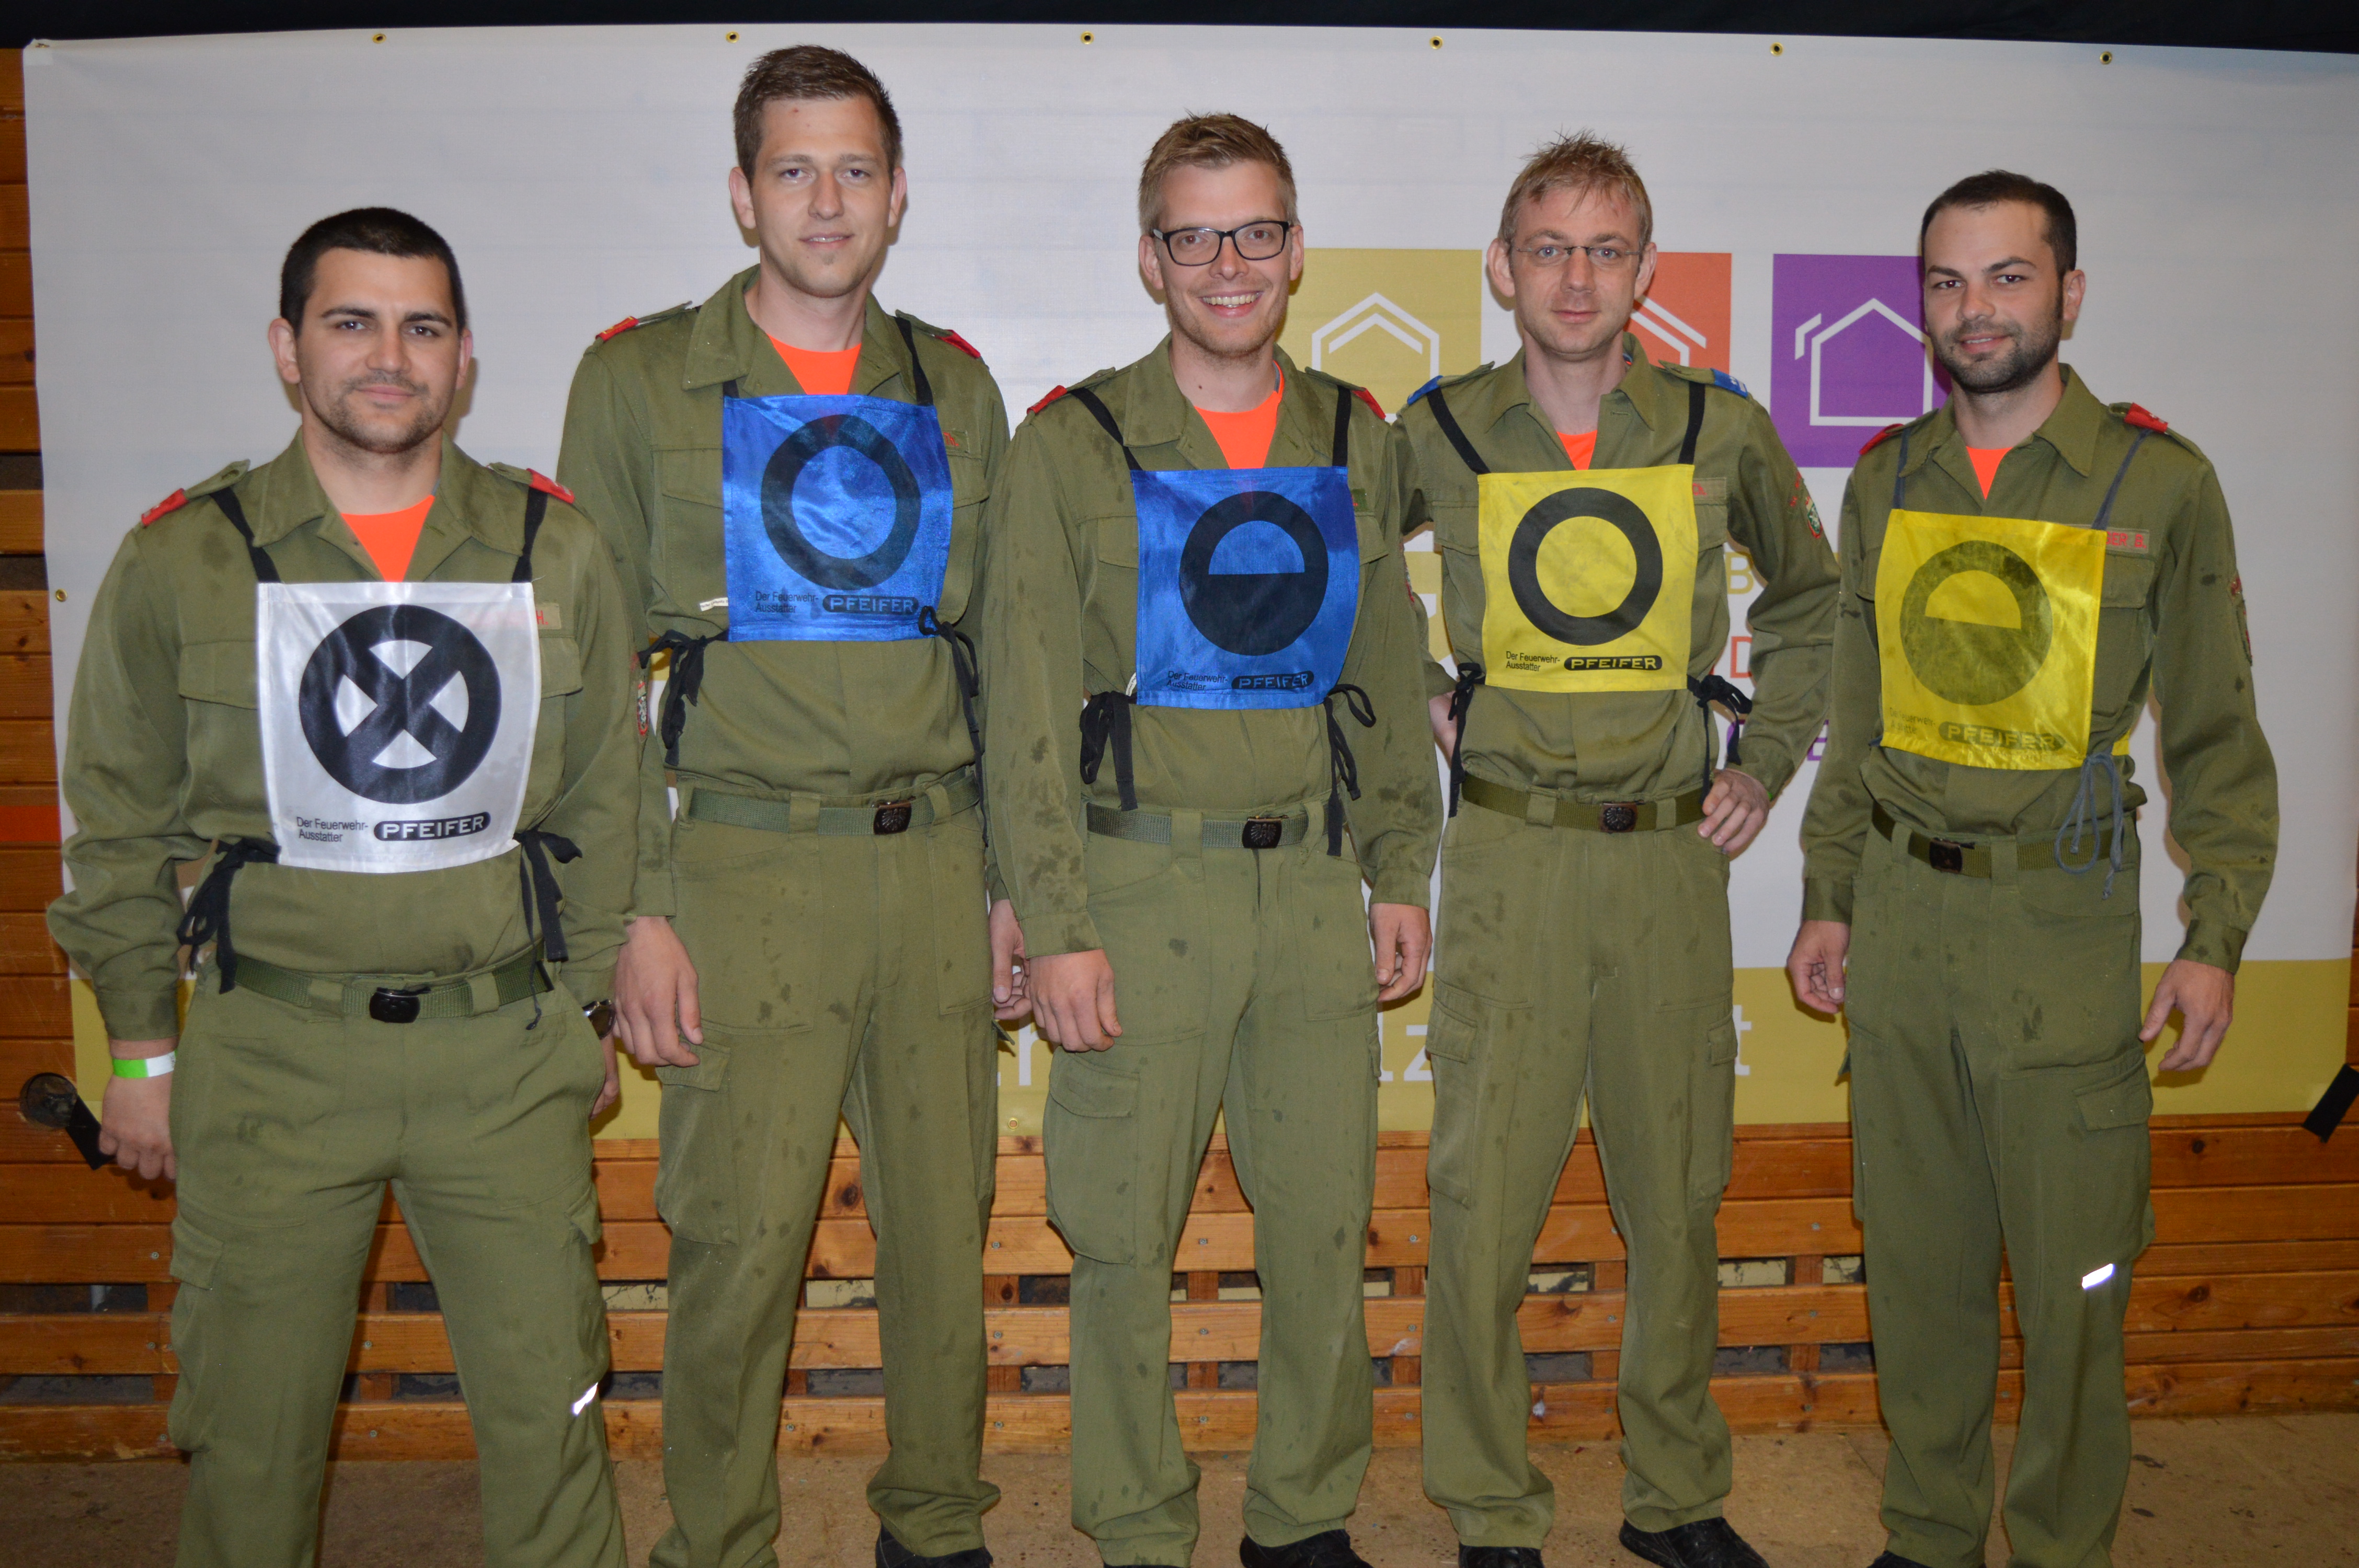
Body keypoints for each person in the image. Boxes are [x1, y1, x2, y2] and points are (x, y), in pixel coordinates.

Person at [51, 207, 637, 1568]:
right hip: (273, 1058)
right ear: (287, 347)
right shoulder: (182, 558)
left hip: (504, 1055)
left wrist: (586, 1011)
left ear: (464, 358)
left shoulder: (553, 548)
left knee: (553, 1422)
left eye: (423, 326)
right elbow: (122, 825)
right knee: (249, 1447)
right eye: (352, 322)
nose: (390, 356)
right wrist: (139, 1055)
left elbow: (607, 805)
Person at [555, 44, 1015, 1568]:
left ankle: (936, 1524)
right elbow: (588, 680)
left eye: (857, 170)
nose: (828, 201)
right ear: (743, 193)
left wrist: (1012, 889)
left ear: (898, 195)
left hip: (934, 863)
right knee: (738, 1247)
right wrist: (632, 912)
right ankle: (718, 1543)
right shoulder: (638, 383)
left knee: (941, 1233)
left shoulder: (953, 386)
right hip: (742, 871)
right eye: (796, 170)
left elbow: (1003, 663)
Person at [1786, 171, 2277, 1568]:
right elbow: (1858, 717)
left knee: (2076, 1280)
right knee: (1919, 1264)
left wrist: (2216, 936)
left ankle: (2063, 1544)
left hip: (2058, 932)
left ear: (2069, 293)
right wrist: (1830, 896)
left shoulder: (2159, 484)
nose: (1976, 309)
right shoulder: (1888, 479)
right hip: (1903, 922)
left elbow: (2217, 735)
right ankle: (1931, 1532)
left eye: (2009, 277)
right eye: (1948, 283)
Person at [980, 112, 1439, 1568]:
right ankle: (1134, 1522)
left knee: (1321, 1225)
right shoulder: (1073, 445)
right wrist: (1054, 920)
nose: (1228, 263)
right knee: (1122, 1235)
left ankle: (1302, 1517)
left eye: (1255, 232)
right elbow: (1026, 706)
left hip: (1308, 886)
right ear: (1150, 256)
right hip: (1137, 887)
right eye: (1195, 235)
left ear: (1297, 251)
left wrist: (1401, 869)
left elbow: (1386, 667)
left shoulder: (1354, 437)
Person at [1398, 133, 1838, 1568]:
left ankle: (1676, 1499)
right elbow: (1330, 569)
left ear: (1646, 271)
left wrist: (1764, 761)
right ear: (1501, 266)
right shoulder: (1438, 428)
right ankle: (1489, 1505)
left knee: (1679, 1195)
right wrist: (1422, 690)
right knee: (1481, 1201)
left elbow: (1814, 602)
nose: (1575, 279)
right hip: (1511, 857)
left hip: (1666, 862)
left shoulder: (1720, 426)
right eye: (1548, 249)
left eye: (1604, 251)